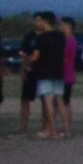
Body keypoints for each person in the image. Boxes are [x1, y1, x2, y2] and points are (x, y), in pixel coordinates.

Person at [21, 11, 62, 139]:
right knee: (56, 101)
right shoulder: (60, 36)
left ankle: (51, 131)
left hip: (45, 72)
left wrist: (26, 60)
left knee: (48, 102)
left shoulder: (41, 38)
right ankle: (50, 129)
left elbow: (35, 57)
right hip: (58, 72)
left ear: (45, 21)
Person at [56, 17, 79, 137]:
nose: (59, 27)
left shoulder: (69, 41)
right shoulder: (69, 40)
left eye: (61, 24)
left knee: (63, 102)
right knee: (65, 102)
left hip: (66, 75)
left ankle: (66, 128)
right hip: (68, 74)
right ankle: (66, 127)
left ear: (68, 25)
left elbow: (64, 58)